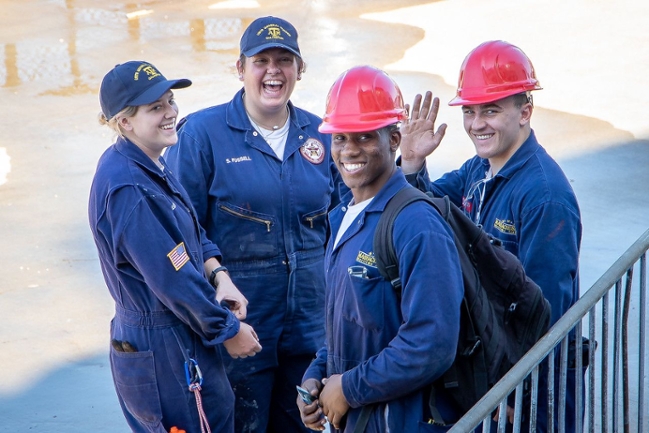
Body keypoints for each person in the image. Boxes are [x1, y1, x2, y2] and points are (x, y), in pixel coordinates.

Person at [164, 16, 346, 433]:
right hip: (240, 333)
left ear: (300, 69)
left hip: (311, 332)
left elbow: (348, 223)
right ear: (240, 68)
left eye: (285, 60)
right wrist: (217, 324)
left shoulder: (323, 133)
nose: (273, 71)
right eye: (260, 60)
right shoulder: (202, 135)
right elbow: (182, 234)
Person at [399, 40, 584, 432]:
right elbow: (426, 213)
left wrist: (514, 391)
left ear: (525, 111)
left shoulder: (544, 197)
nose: (477, 123)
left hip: (532, 390)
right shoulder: (477, 170)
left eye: (492, 110)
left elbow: (545, 311)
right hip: (491, 371)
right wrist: (412, 162)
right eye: (470, 111)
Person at [88, 60, 262, 432]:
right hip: (162, 344)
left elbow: (190, 232)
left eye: (170, 101)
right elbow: (174, 278)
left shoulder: (149, 162)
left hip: (174, 333)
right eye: (156, 108)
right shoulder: (129, 190)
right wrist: (227, 330)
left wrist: (219, 275)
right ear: (124, 122)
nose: (171, 113)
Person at [297, 65, 464, 432]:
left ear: (393, 139)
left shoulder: (416, 225)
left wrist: (350, 388)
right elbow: (346, 320)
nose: (349, 151)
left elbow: (431, 343)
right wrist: (317, 377)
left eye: (365, 137)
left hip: (402, 420)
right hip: (360, 417)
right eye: (340, 138)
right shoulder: (344, 214)